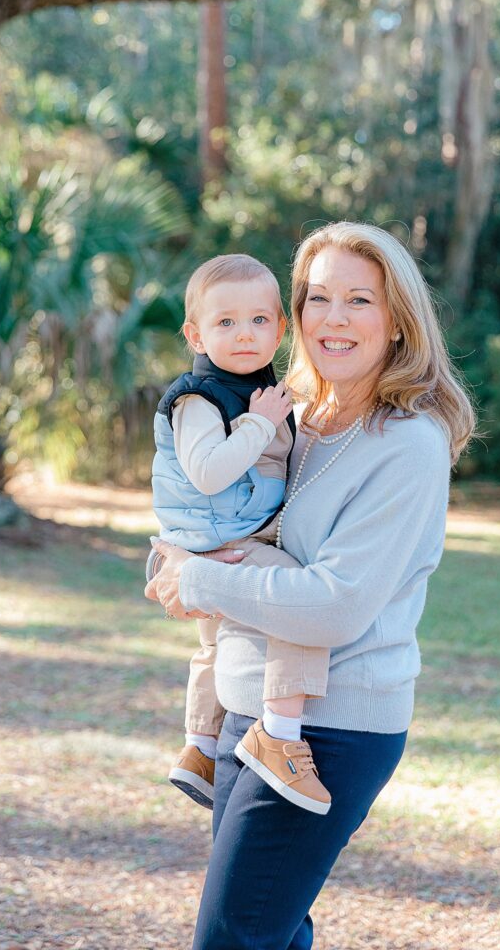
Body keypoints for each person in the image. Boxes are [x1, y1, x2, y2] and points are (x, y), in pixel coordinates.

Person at [146, 221, 476, 950]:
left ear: (396, 323)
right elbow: (217, 518)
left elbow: (335, 604)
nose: (334, 317)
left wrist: (198, 578)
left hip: (332, 726)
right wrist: (179, 559)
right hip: (244, 709)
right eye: (318, 298)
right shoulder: (291, 414)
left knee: (234, 937)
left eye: (360, 299)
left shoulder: (409, 444)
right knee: (272, 930)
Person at [151, 254, 334, 816]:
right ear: (195, 334)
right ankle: (278, 733)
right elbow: (207, 471)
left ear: (281, 328)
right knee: (301, 604)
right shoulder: (199, 397)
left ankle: (201, 748)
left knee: (212, 649)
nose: (243, 334)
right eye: (225, 322)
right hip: (216, 542)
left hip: (221, 536)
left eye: (258, 321)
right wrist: (258, 423)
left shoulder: (256, 385)